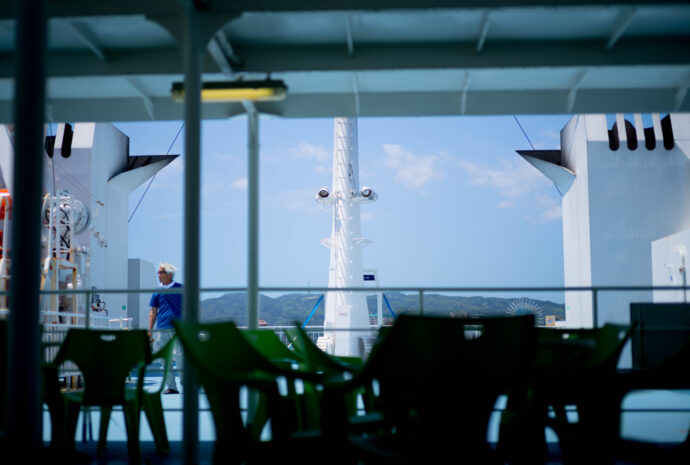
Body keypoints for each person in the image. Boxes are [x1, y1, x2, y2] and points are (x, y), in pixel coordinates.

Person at [149, 262, 183, 394]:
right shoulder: (157, 291)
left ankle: (186, 384)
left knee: (180, 358)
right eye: (158, 272)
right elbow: (153, 311)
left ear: (169, 274)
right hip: (161, 329)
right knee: (164, 359)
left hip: (178, 328)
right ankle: (171, 387)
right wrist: (150, 330)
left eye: (160, 272)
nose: (158, 275)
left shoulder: (180, 288)